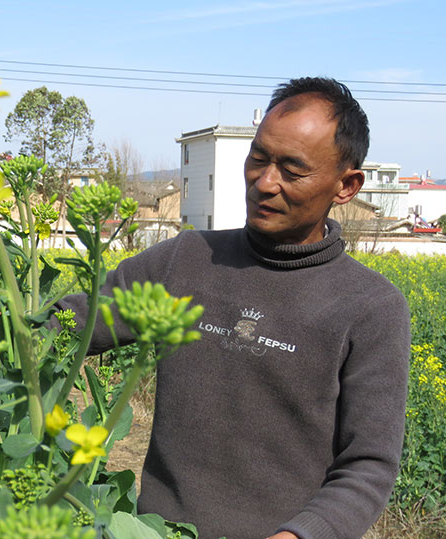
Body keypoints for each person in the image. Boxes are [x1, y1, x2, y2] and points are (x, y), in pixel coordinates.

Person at [57, 77, 411, 539]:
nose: (264, 182)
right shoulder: (185, 259)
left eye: (292, 170)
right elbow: (76, 322)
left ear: (346, 185)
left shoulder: (371, 307)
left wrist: (300, 534)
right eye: (258, 159)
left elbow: (368, 466)